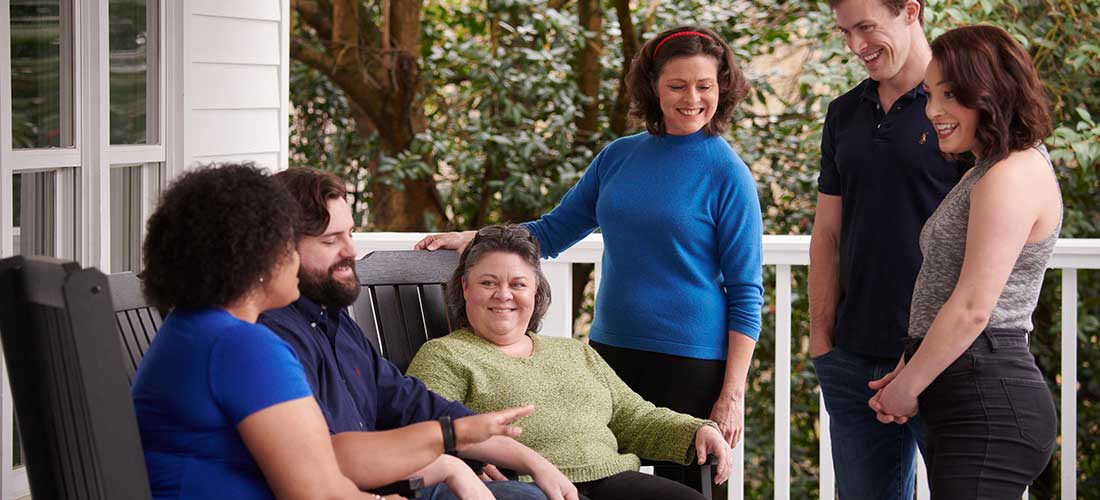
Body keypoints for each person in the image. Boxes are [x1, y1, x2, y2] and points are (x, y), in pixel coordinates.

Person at [416, 25, 763, 492]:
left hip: (691, 361)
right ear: (653, 87)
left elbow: (746, 293)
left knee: (690, 483)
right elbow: (553, 232)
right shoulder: (618, 157)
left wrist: (732, 395)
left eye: (705, 86)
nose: (692, 99)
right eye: (677, 85)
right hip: (611, 349)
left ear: (723, 87)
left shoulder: (728, 174)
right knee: (604, 474)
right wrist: (479, 237)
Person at [133, 164, 533, 500]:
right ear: (252, 255)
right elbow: (319, 490)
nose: (292, 256)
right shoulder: (242, 345)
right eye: (285, 244)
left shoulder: (196, 330)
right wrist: (448, 440)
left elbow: (319, 468)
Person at [259, 167, 577, 500]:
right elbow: (323, 464)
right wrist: (446, 464)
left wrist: (533, 461)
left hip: (402, 478)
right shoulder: (272, 339)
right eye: (331, 240)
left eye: (350, 233)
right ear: (280, 248)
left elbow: (414, 403)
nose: (350, 250)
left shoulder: (334, 321)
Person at [868, 24, 1060, 498]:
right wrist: (910, 368)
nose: (933, 111)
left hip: (988, 401)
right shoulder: (989, 170)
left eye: (951, 94)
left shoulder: (1011, 175)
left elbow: (975, 305)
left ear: (990, 91)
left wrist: (907, 386)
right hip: (967, 390)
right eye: (931, 94)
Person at [407, 225, 733, 500]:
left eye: (518, 284)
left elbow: (632, 417)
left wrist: (695, 430)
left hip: (613, 480)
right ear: (465, 288)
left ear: (535, 292)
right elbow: (424, 431)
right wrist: (471, 467)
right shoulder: (445, 355)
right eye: (488, 283)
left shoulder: (574, 353)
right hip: (529, 487)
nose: (503, 295)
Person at [808, 0, 964, 496]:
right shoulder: (843, 113)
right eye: (845, 32)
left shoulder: (962, 108)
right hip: (852, 359)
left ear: (911, 11)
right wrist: (821, 341)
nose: (856, 46)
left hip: (940, 359)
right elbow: (828, 234)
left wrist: (920, 363)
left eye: (867, 28)